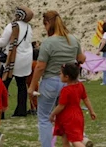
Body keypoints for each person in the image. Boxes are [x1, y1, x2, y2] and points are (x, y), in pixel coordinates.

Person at [28, 11, 85, 147]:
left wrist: (32, 86)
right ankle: (79, 140)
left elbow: (40, 66)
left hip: (50, 82)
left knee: (45, 118)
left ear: (47, 23)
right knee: (70, 114)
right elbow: (81, 58)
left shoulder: (48, 42)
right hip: (70, 83)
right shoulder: (73, 39)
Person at [0, 8, 33, 117]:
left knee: (4, 84)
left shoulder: (12, 26)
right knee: (22, 85)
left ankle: (1, 112)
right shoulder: (29, 27)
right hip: (26, 59)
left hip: (12, 59)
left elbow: (2, 42)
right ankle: (21, 111)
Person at [50, 63, 96, 147]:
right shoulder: (80, 86)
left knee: (75, 141)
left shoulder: (66, 90)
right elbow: (86, 99)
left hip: (68, 117)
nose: (59, 75)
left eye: (61, 73)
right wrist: (91, 111)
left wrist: (53, 114)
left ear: (66, 77)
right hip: (77, 115)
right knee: (65, 139)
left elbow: (61, 106)